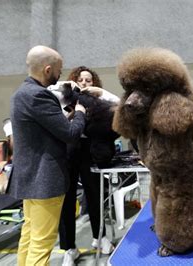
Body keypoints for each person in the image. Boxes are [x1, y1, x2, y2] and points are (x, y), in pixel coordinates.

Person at [8, 45, 86, 266]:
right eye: (59, 70)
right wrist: (80, 113)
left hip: (28, 178)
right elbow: (71, 134)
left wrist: (66, 116)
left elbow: (46, 128)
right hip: (45, 180)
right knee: (42, 244)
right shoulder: (39, 96)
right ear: (48, 69)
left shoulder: (21, 93)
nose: (61, 74)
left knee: (30, 236)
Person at [58, 66, 117, 266]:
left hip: (91, 152)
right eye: (80, 79)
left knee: (95, 196)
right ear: (74, 81)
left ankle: (99, 237)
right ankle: (69, 248)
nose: (84, 83)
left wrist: (101, 93)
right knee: (67, 200)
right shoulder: (63, 100)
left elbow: (120, 104)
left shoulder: (99, 101)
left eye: (89, 80)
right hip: (68, 152)